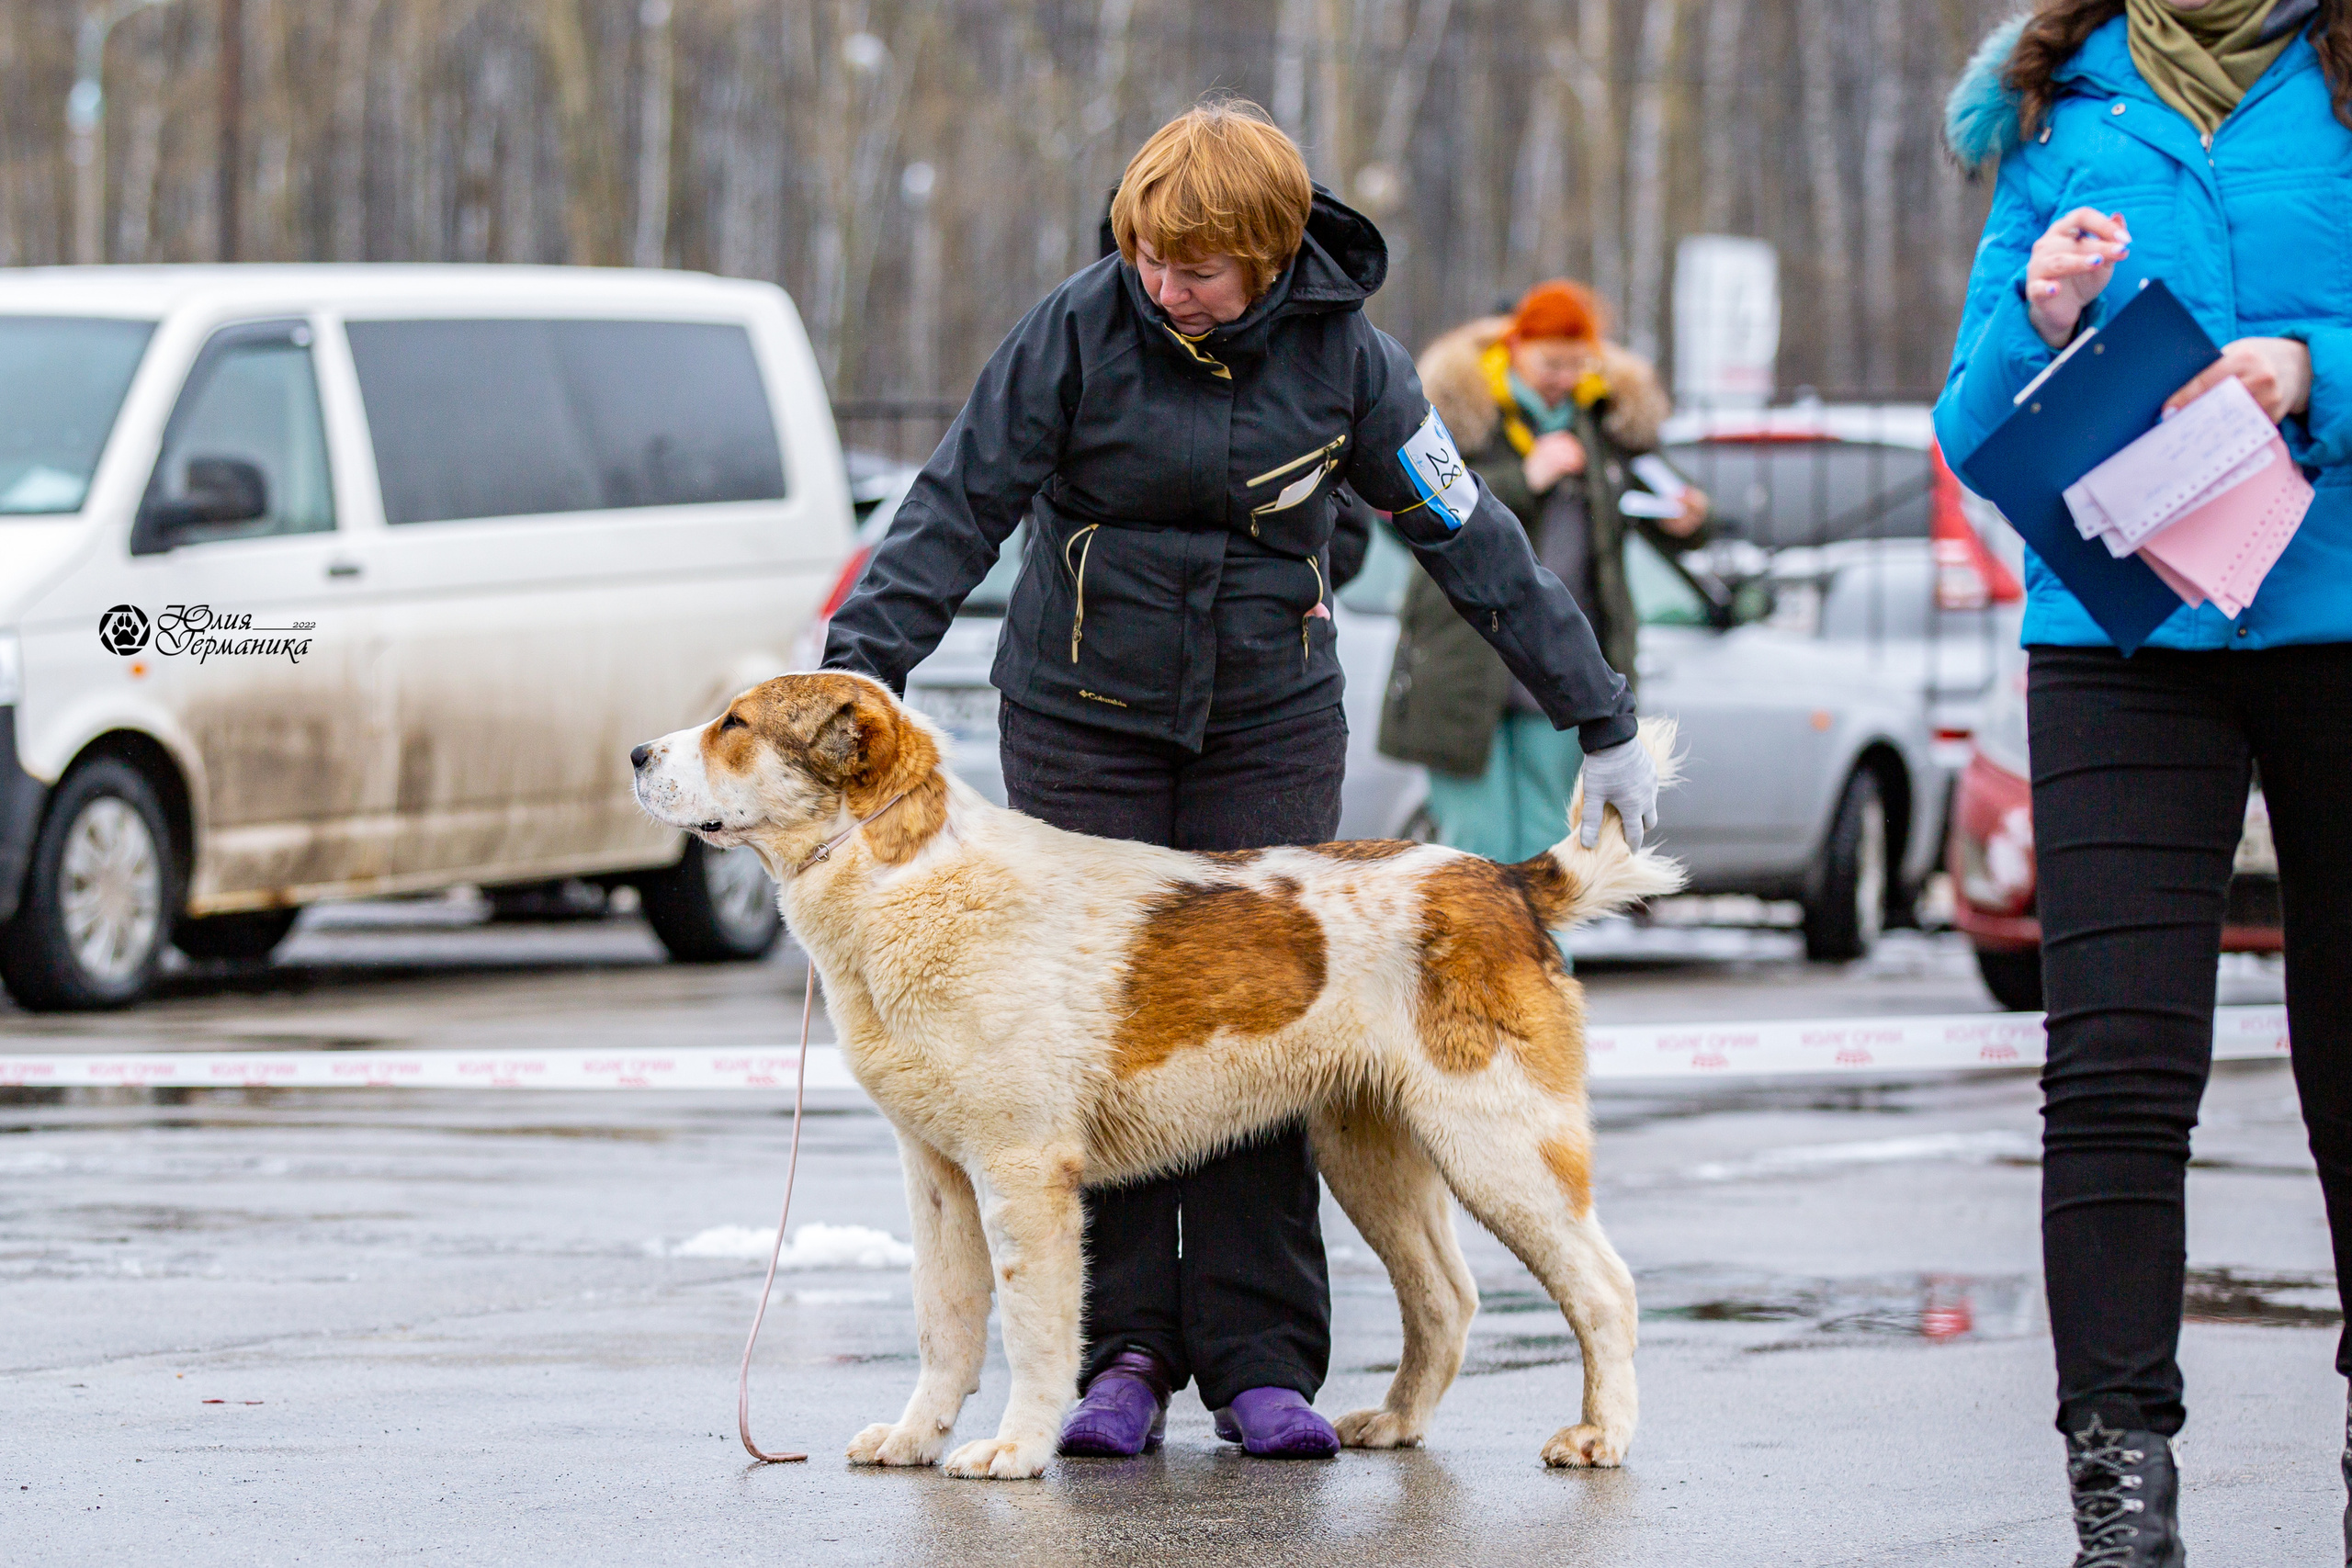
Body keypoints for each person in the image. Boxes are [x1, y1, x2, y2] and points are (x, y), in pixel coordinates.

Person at [820, 98, 1660, 1461]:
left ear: (1269, 256)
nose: (1165, 287)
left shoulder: (1352, 360)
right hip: (1080, 719)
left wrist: (1599, 714)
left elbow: (1470, 536)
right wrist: (858, 674)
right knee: (1084, 1048)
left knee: (1274, 1039)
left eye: (1198, 269)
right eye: (1147, 257)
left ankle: (1264, 1361)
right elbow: (955, 505)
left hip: (1266, 725)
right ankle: (1122, 1359)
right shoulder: (1073, 330)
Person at [1938, 1, 2352, 1560]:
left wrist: (2311, 370)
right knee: (2112, 1064)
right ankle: (2119, 1484)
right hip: (2122, 630)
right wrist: (2040, 316)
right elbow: (1972, 426)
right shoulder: (2054, 106)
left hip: (2339, 616)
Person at [1378, 281, 1709, 863]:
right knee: (1474, 850)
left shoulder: (1603, 425)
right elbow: (1405, 512)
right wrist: (1526, 478)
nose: (1563, 377)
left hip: (1560, 670)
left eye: (1576, 364)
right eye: (1550, 363)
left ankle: (1535, 934)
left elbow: (1663, 504)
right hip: (1460, 664)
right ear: (1515, 347)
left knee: (1548, 849)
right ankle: (1482, 933)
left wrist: (1691, 519)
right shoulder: (1461, 416)